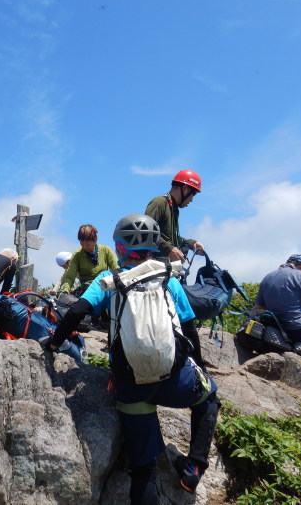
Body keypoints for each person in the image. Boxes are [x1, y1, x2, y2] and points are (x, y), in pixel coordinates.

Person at [45, 214, 219, 503]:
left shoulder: (108, 280)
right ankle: (194, 466)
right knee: (209, 396)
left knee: (144, 469)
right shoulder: (168, 278)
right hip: (174, 379)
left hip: (130, 384)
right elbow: (189, 330)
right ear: (153, 248)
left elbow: (76, 312)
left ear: (120, 247)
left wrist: (53, 344)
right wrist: (197, 366)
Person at [145, 170, 205, 262]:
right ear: (185, 189)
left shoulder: (173, 208)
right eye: (193, 194)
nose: (192, 200)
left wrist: (191, 243)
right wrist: (169, 249)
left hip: (165, 267)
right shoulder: (160, 202)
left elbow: (168, 239)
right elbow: (145, 232)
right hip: (153, 265)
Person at [58, 225, 117, 295]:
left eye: (88, 241)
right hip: (86, 291)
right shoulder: (77, 255)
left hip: (104, 288)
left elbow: (115, 269)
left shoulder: (106, 250)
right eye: (82, 241)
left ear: (95, 239)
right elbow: (70, 277)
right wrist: (65, 290)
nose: (85, 244)